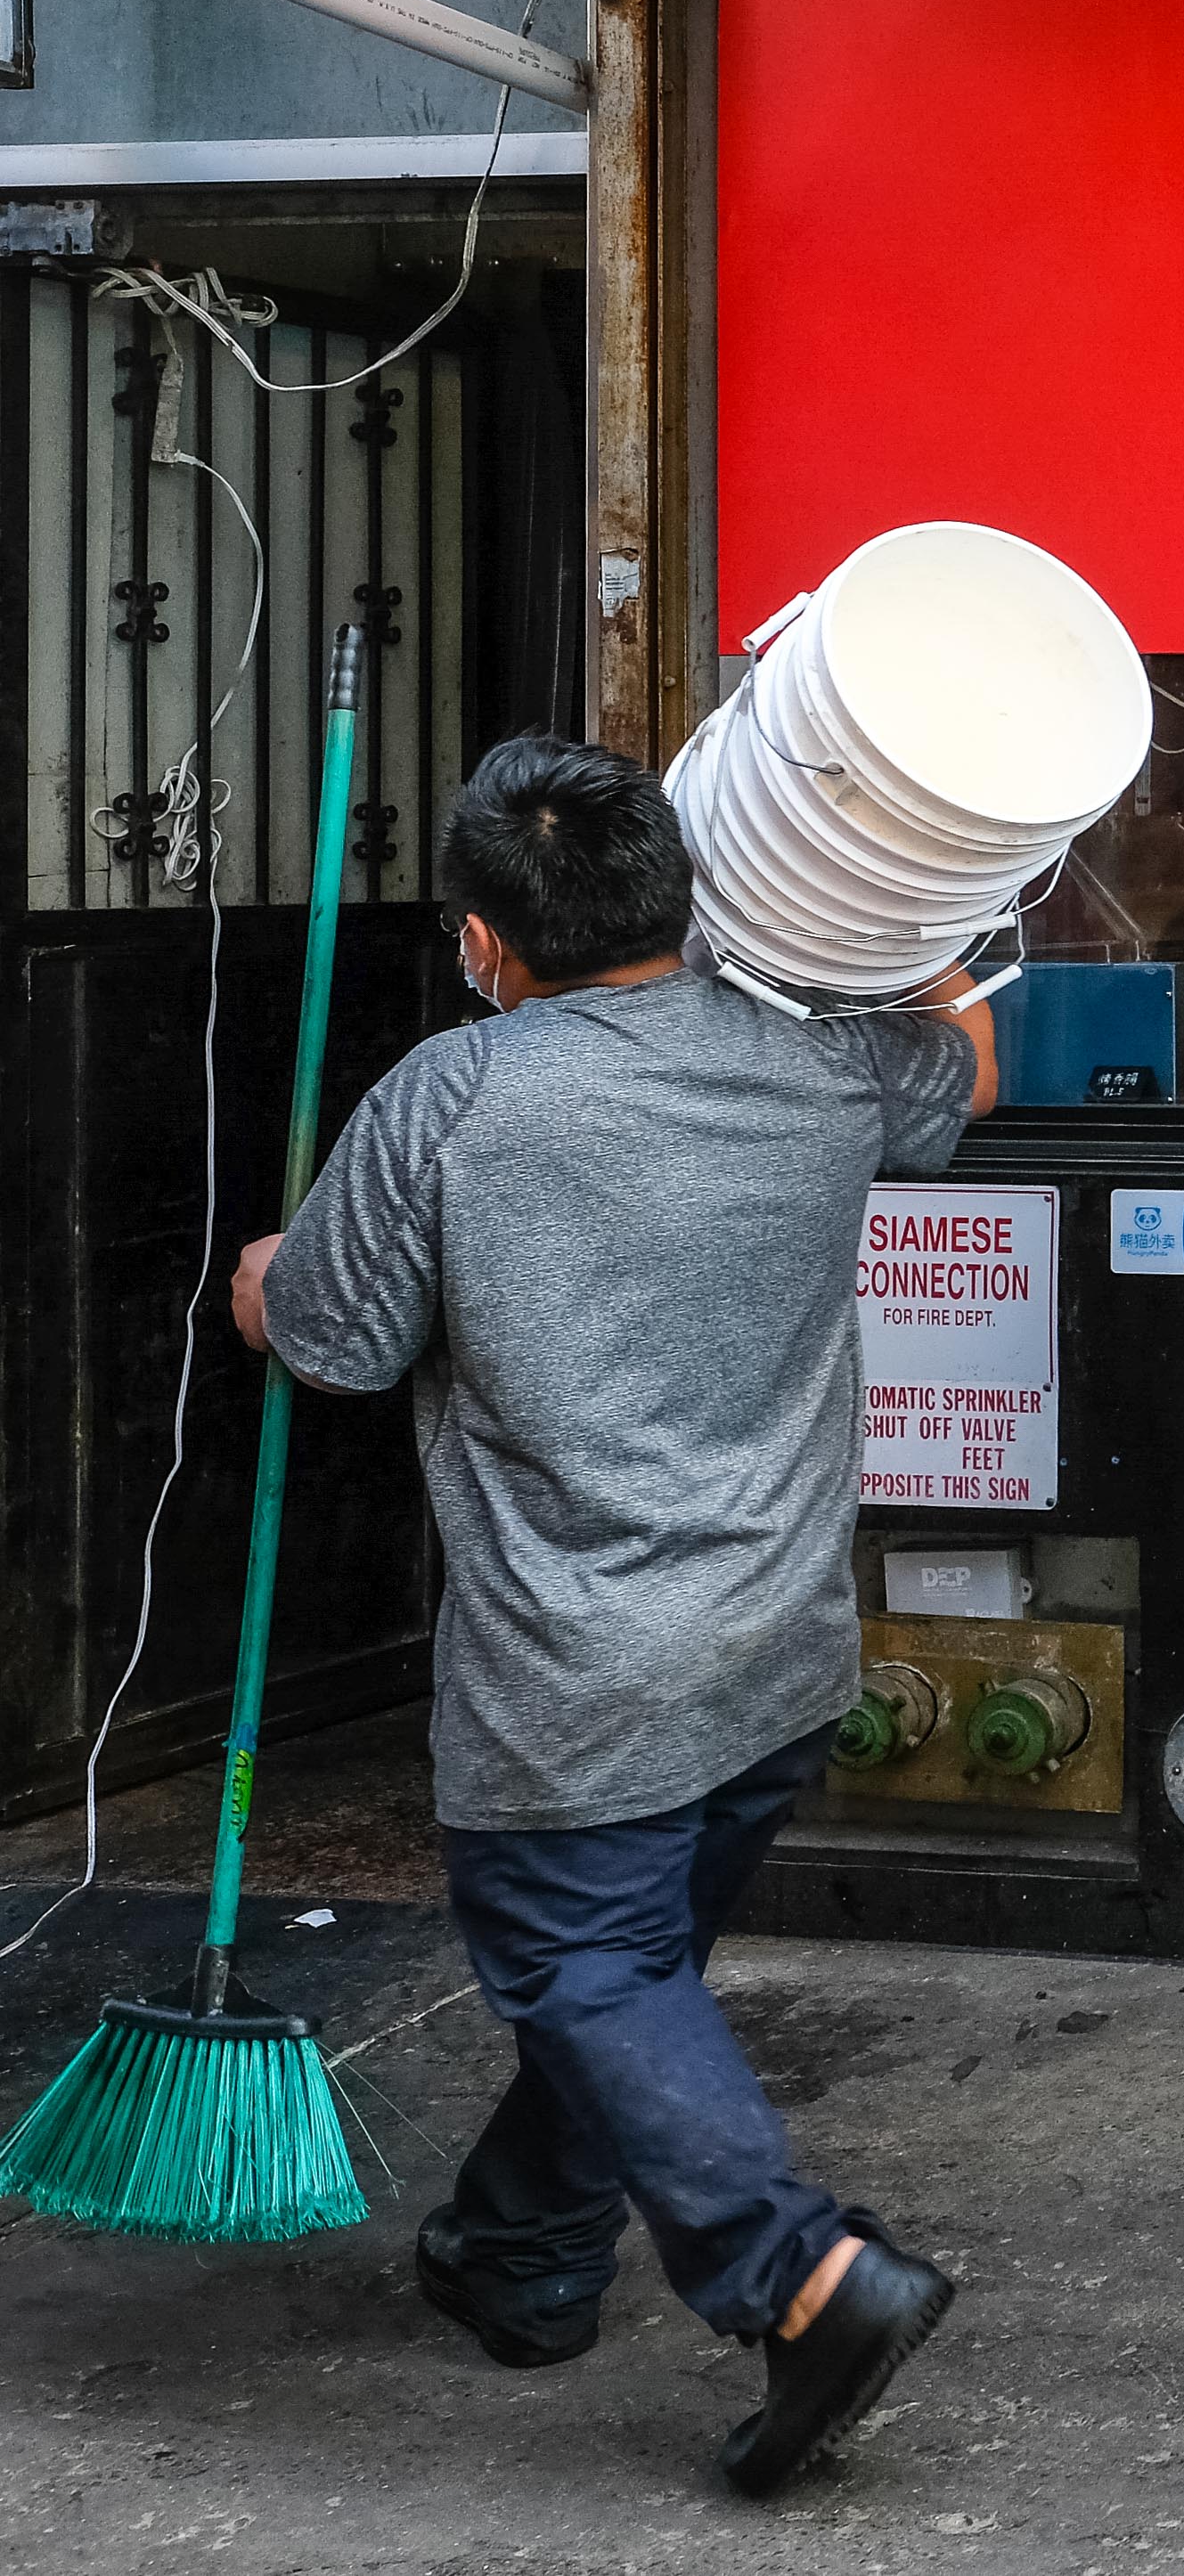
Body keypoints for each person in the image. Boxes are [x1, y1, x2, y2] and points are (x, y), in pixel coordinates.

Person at [238, 736, 995, 2495]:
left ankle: (797, 2272)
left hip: (574, 1674)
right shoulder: (823, 1064)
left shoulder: (455, 1091)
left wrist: (270, 1280)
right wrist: (931, 904)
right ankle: (520, 2251)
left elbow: (335, 1339)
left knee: (581, 1964)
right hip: (781, 1647)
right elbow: (959, 1052)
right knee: (628, 1978)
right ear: (680, 892)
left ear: (488, 939)